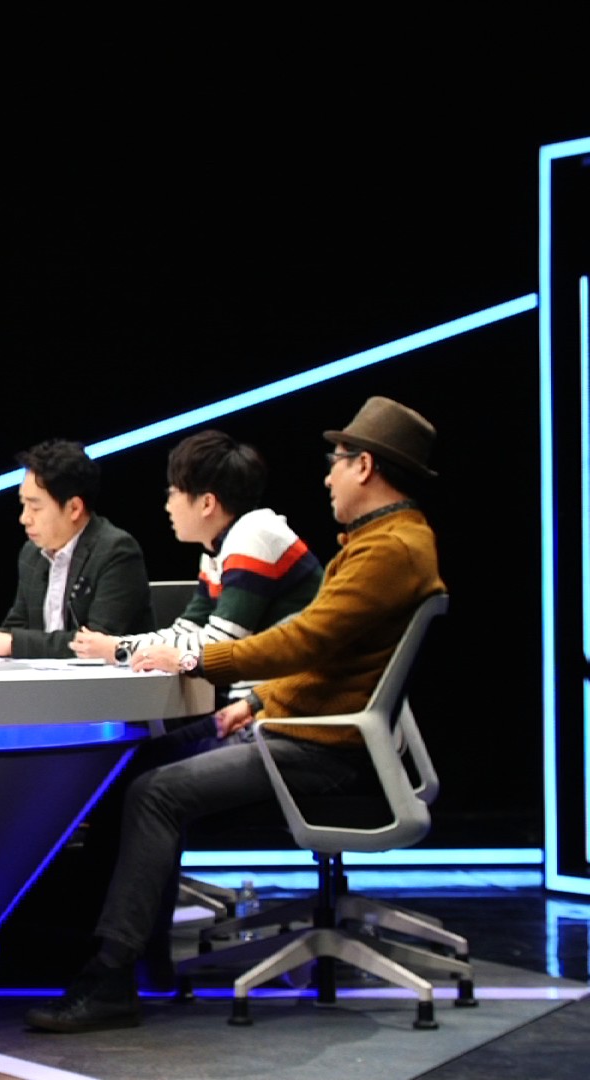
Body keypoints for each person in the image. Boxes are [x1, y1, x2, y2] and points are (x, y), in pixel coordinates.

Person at [26, 396, 444, 1033]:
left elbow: (300, 642)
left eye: (335, 463)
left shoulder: (390, 550)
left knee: (155, 793)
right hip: (298, 724)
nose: (327, 478)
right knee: (134, 765)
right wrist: (256, 700)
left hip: (323, 749)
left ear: (364, 466)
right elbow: (329, 657)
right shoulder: (378, 542)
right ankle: (134, 957)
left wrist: (201, 664)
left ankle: (111, 975)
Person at [70, 429, 322, 671]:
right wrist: (118, 646)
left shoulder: (253, 536)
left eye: (173, 493)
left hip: (297, 688)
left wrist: (120, 649)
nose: (168, 506)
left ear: (207, 503)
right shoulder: (219, 549)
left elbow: (218, 646)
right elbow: (187, 630)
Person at [0, 439, 151, 659]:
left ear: (74, 508)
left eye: (35, 507)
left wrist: (13, 643)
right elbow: (15, 629)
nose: (24, 518)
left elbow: (97, 643)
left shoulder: (116, 551)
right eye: (23, 505)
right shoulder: (32, 553)